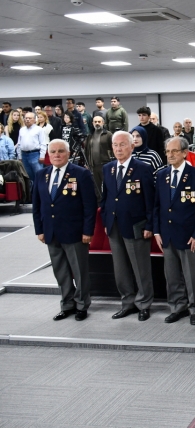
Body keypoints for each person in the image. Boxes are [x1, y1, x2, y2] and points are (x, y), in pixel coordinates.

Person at [32, 139, 98, 322]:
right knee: (60, 271)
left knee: (80, 271)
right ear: (48, 154)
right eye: (53, 151)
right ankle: (67, 304)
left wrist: (88, 231)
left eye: (61, 151)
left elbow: (89, 206)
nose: (56, 155)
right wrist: (39, 229)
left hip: (75, 232)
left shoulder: (81, 174)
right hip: (51, 232)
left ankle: (82, 305)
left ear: (68, 154)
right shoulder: (41, 175)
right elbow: (37, 206)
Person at [153, 137, 195, 325]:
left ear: (185, 153)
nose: (170, 155)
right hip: (167, 235)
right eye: (167, 152)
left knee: (192, 277)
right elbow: (157, 206)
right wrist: (156, 232)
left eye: (174, 151)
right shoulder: (161, 176)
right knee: (172, 277)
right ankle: (178, 307)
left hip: (189, 236)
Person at [101, 131, 156, 322]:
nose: (118, 148)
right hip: (114, 226)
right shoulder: (108, 169)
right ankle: (127, 303)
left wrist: (150, 224)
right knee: (120, 269)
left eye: (122, 144)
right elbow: (106, 198)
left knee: (141, 268)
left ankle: (144, 304)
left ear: (132, 146)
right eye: (115, 145)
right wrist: (106, 220)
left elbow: (150, 201)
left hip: (136, 226)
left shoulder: (143, 168)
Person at [83, 116, 113, 201]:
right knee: (96, 187)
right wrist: (87, 163)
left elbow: (113, 148)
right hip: (93, 165)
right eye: (95, 122)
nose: (97, 123)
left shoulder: (108, 134)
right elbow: (86, 150)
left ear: (103, 123)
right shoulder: (90, 135)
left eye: (99, 121)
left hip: (106, 164)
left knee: (108, 185)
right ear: (92, 123)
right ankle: (99, 205)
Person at [15, 111, 46, 188]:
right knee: (28, 177)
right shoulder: (22, 130)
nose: (27, 120)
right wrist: (20, 157)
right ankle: (31, 197)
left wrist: (42, 156)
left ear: (34, 120)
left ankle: (40, 196)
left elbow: (43, 143)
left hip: (35, 155)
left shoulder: (39, 129)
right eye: (26, 118)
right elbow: (19, 144)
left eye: (30, 118)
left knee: (39, 176)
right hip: (24, 155)